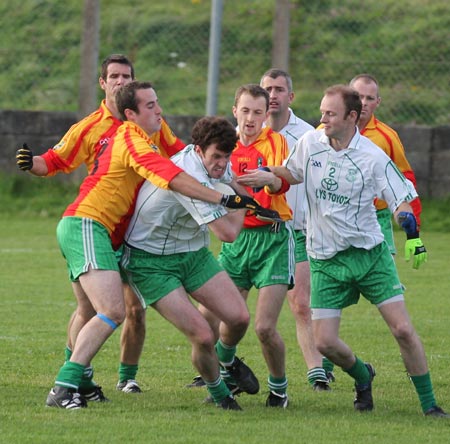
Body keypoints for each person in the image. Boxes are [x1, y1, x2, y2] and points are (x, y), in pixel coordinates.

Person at [42, 80, 266, 409]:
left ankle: (226, 365)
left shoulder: (165, 143)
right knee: (118, 313)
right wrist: (230, 198)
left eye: (157, 102)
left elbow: (228, 186)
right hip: (113, 238)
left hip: (182, 251)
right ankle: (65, 386)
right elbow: (224, 226)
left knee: (238, 318)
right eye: (150, 105)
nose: (159, 110)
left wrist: (259, 185)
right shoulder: (135, 139)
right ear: (130, 113)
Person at [271, 84, 448, 417]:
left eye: (329, 114)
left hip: (369, 256)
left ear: (351, 117)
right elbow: (291, 173)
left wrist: (408, 225)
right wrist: (267, 176)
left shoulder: (373, 156)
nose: (322, 119)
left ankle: (430, 406)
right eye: (322, 112)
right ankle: (363, 375)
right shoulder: (310, 143)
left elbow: (400, 200)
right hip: (324, 259)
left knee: (402, 329)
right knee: (324, 342)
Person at [16, 54, 186, 397]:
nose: (121, 81)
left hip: (132, 231)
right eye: (114, 76)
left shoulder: (150, 122)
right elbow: (54, 160)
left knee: (131, 309)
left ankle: (126, 377)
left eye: (127, 76)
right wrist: (28, 162)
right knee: (102, 309)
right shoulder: (91, 126)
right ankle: (74, 379)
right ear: (103, 83)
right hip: (96, 226)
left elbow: (180, 155)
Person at [121, 116, 261, 410]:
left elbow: (235, 185)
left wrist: (245, 195)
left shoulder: (216, 160)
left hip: (192, 253)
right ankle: (221, 394)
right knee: (202, 334)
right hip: (151, 260)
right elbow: (228, 232)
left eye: (226, 156)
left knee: (239, 318)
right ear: (198, 150)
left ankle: (226, 362)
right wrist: (245, 203)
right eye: (216, 157)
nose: (222, 163)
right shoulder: (189, 175)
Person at [206, 84, 294, 408]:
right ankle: (229, 368)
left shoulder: (275, 142)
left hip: (271, 241)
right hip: (236, 239)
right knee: (228, 318)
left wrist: (268, 178)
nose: (251, 118)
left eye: (258, 112)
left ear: (266, 114)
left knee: (264, 328)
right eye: (245, 111)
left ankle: (279, 389)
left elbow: (281, 176)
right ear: (235, 111)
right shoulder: (224, 146)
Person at [260, 68, 332, 391]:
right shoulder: (246, 132)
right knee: (227, 305)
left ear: (291, 96)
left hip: (297, 230)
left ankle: (317, 372)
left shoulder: (309, 136)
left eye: (278, 89)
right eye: (267, 90)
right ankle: (219, 364)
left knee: (301, 302)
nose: (272, 95)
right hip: (255, 231)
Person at [349, 73, 422, 255]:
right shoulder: (324, 133)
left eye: (370, 98)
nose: (363, 102)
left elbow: (405, 181)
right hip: (338, 218)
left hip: (377, 218)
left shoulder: (387, 137)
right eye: (358, 96)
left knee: (382, 280)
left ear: (378, 102)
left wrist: (414, 232)